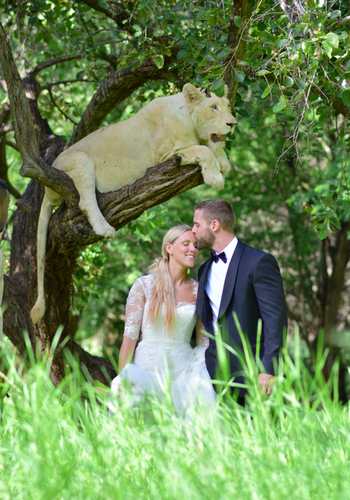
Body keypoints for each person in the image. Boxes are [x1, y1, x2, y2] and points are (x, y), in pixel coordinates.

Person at [109, 224, 215, 414]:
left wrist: (202, 379)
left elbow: (203, 343)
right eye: (186, 244)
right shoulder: (144, 286)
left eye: (196, 245)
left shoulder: (199, 291)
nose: (193, 249)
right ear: (169, 248)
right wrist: (123, 378)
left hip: (184, 373)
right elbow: (129, 340)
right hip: (146, 369)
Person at [193, 199, 287, 401]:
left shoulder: (259, 262)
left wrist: (269, 368)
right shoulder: (204, 270)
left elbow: (275, 320)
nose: (193, 231)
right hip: (211, 372)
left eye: (197, 224)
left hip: (252, 370)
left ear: (214, 225)